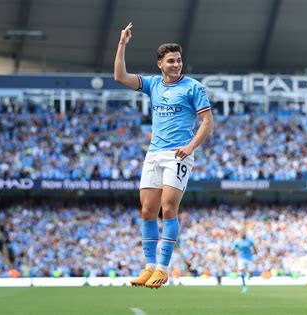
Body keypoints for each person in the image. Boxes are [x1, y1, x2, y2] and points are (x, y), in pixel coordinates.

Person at [114, 22, 214, 289]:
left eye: (179, 60)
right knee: (148, 211)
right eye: (171, 61)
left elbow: (207, 122)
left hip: (178, 155)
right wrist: (122, 44)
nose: (176, 65)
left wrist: (190, 147)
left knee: (168, 208)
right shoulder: (153, 84)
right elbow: (120, 77)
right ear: (160, 63)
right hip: (154, 154)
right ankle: (148, 266)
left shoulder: (193, 87)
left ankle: (163, 268)